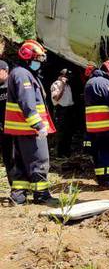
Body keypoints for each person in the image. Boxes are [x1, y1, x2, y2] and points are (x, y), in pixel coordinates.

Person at [5, 40, 57, 205]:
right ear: (28, 57)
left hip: (21, 129)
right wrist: (39, 125)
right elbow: (27, 103)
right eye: (37, 59)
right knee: (39, 160)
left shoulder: (21, 73)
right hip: (29, 129)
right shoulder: (23, 75)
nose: (39, 63)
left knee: (20, 163)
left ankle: (19, 196)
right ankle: (41, 195)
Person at [84, 59, 109, 186]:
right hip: (104, 124)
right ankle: (108, 180)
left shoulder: (89, 82)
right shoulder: (105, 83)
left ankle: (101, 178)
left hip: (92, 126)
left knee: (97, 152)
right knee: (107, 151)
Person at [50, 69, 75, 158]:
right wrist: (62, 85)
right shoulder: (57, 84)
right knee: (61, 132)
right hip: (60, 110)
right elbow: (56, 98)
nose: (68, 78)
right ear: (61, 76)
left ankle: (66, 152)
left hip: (68, 110)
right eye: (66, 76)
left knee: (68, 132)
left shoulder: (68, 85)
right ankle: (60, 153)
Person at [0, 60, 13, 185]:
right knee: (8, 159)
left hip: (16, 130)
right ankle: (14, 187)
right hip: (3, 130)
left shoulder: (13, 85)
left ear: (5, 70)